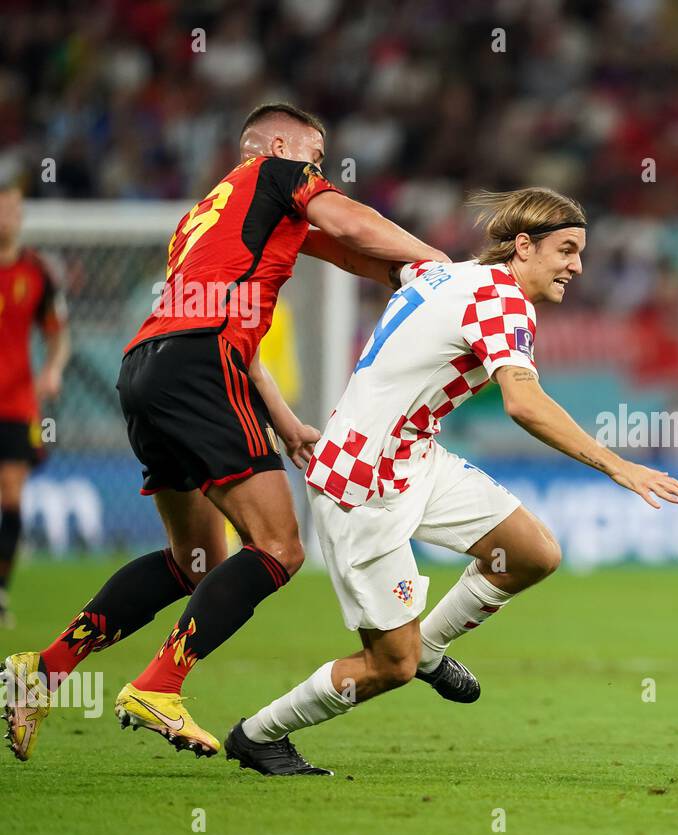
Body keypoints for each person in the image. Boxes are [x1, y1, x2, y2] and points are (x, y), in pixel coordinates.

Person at [2, 103, 447, 762]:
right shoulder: (273, 173)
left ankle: (42, 671)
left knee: (195, 562)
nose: (318, 170)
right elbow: (352, 221)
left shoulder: (199, 222)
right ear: (273, 144)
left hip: (147, 371)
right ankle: (159, 685)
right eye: (313, 157)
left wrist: (403, 278)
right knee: (279, 547)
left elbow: (350, 255)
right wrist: (436, 259)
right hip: (201, 367)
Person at [223, 187, 678, 775]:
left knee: (531, 553)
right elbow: (523, 404)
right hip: (362, 480)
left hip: (415, 456)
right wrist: (619, 465)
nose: (577, 266)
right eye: (566, 250)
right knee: (388, 665)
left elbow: (352, 251)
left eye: (581, 252)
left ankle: (432, 650)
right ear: (523, 247)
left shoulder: (441, 272)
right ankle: (259, 734)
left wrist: (281, 238)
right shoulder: (502, 303)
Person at [0, 184, 71, 628]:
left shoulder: (37, 272)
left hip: (17, 402)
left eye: (14, 207)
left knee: (11, 495)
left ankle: (1, 591)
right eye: (2, 206)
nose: (9, 214)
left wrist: (54, 369)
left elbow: (58, 332)